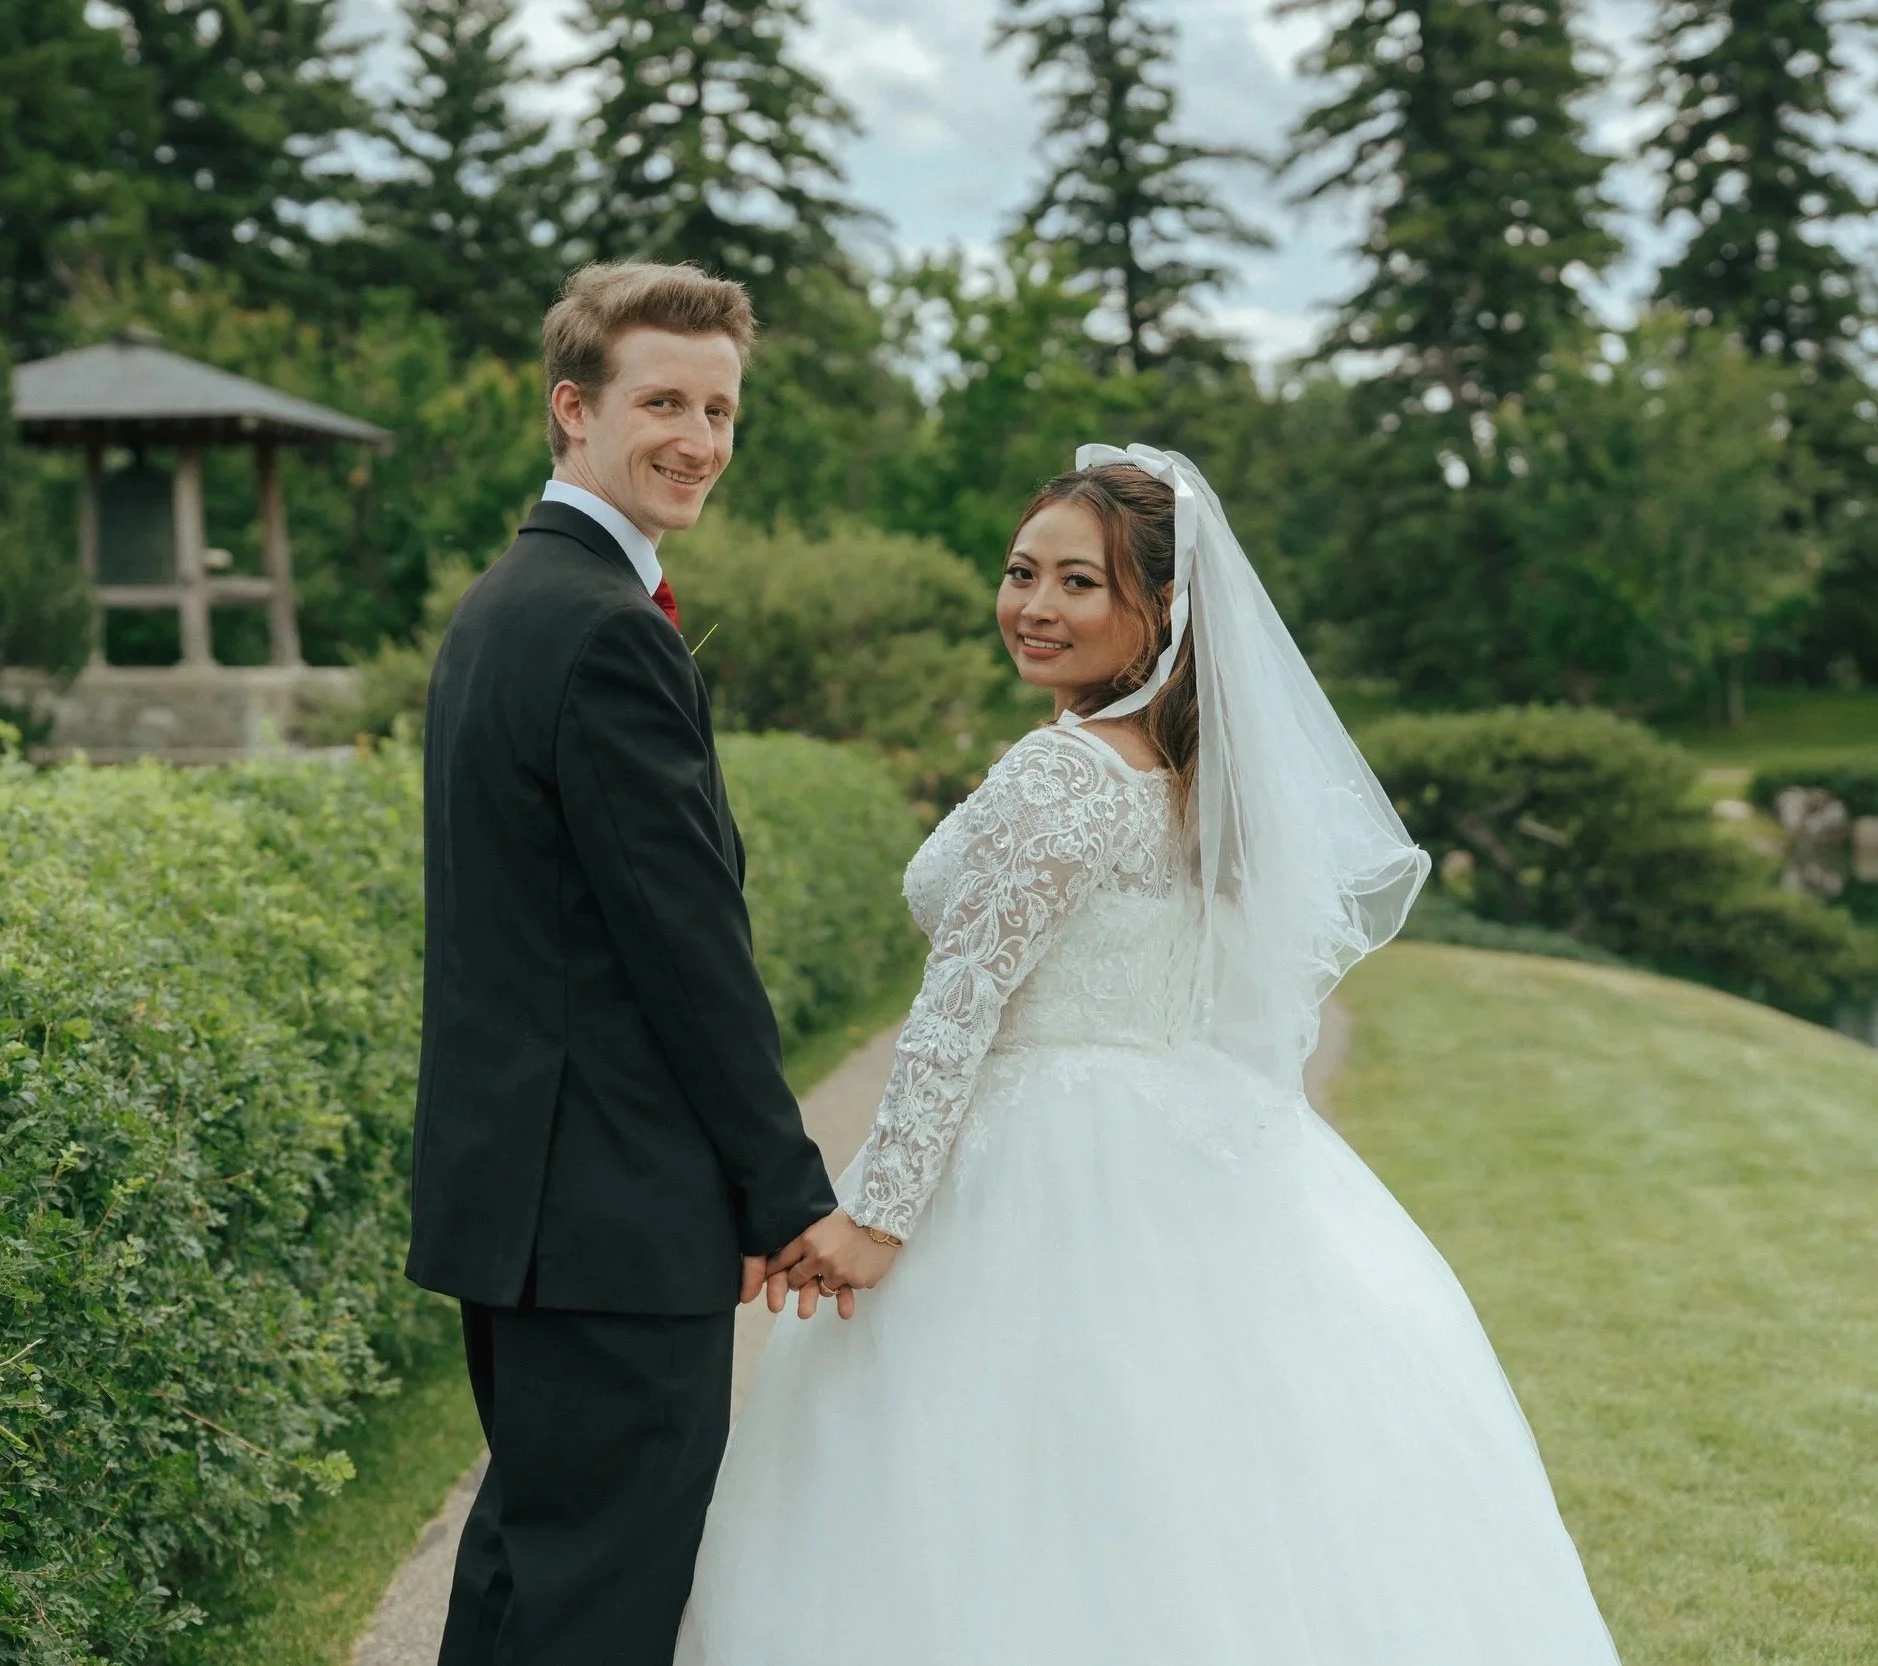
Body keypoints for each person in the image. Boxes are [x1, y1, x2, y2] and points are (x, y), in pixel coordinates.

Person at [681, 447, 1626, 1664]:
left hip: (1029, 1155)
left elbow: (959, 1000)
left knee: (998, 1478)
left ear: (1159, 611)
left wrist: (879, 1212)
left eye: (1080, 583)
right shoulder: (1186, 769)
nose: (1034, 605)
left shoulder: (1064, 772)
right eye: (1023, 572)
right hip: (1177, 1135)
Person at [406, 261, 873, 1666]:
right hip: (609, 1206)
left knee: (530, 1563)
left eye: (721, 408)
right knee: (599, 1598)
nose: (700, 439)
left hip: (532, 1193)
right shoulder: (606, 629)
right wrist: (784, 1185)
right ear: (574, 409)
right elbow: (684, 951)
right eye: (663, 399)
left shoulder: (510, 602)